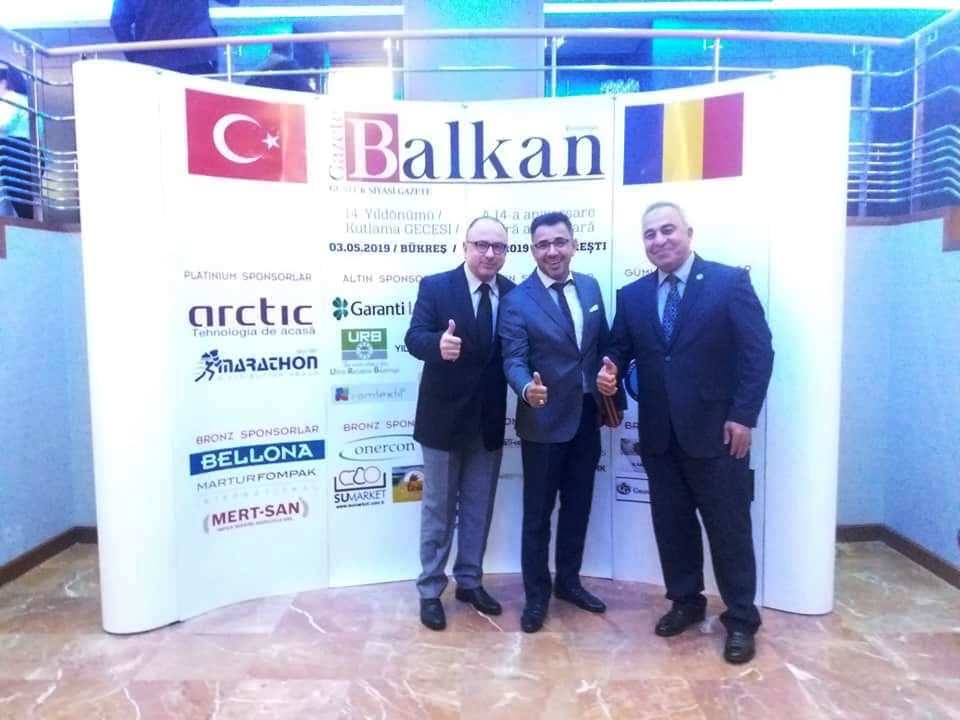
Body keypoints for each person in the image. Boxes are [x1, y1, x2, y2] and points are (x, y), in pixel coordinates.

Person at [597, 201, 774, 664]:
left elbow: (759, 352)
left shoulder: (728, 282)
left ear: (688, 233)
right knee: (672, 527)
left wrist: (743, 416)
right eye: (650, 234)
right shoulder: (633, 296)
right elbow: (618, 348)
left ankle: (741, 618)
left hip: (719, 435)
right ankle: (686, 601)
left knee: (729, 530)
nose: (659, 240)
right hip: (660, 436)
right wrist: (608, 369)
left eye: (667, 230)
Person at [499, 211, 617, 634]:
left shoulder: (590, 286)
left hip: (586, 417)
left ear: (573, 245)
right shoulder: (516, 300)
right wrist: (524, 389)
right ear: (533, 251)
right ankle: (537, 596)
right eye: (543, 244)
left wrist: (609, 373)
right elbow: (513, 359)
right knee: (537, 514)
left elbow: (601, 345)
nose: (552, 251)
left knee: (578, 506)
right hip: (543, 420)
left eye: (560, 242)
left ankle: (569, 582)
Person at [404, 216, 516, 631]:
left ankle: (470, 581)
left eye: (498, 247)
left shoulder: (514, 293)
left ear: (506, 253)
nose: (489, 253)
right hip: (442, 420)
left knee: (478, 507)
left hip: (487, 421)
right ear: (465, 246)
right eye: (481, 244)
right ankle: (430, 590)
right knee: (438, 509)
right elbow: (413, 337)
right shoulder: (436, 287)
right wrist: (437, 343)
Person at [110, 0, 240, 75]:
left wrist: (136, 57)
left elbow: (118, 22)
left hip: (151, 60)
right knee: (200, 111)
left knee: (159, 112)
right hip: (197, 56)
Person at [0, 64, 32, 219]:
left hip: (14, 150)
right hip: (30, 152)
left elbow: (3, 123)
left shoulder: (10, 98)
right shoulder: (27, 100)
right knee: (24, 198)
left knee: (17, 197)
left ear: (4, 82)